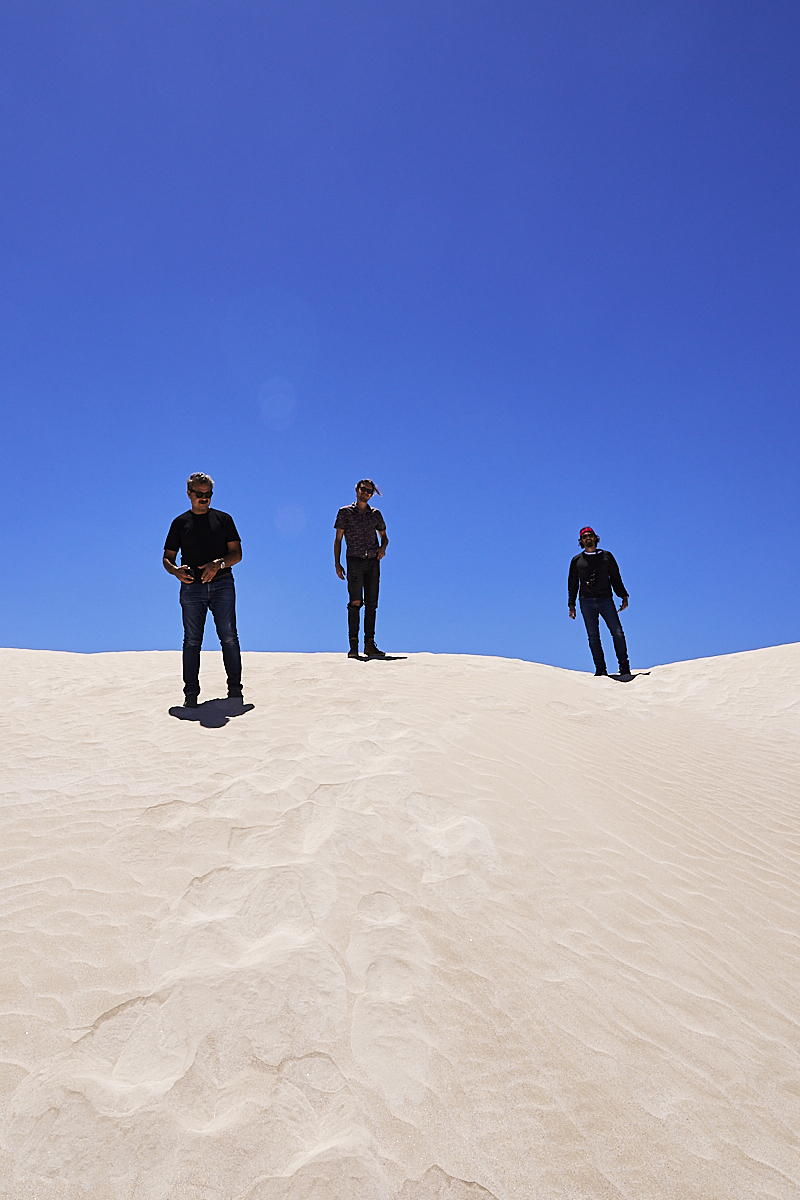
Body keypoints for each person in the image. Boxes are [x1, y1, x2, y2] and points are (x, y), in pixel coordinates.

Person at [163, 473, 243, 706]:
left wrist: (217, 564)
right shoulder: (179, 523)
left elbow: (237, 554)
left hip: (222, 585)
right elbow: (167, 558)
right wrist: (176, 571)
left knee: (229, 637)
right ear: (189, 494)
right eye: (200, 495)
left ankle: (235, 691)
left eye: (208, 495)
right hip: (191, 589)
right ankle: (190, 695)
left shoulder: (224, 519)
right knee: (192, 641)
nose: (204, 499)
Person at [334, 479, 389, 658]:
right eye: (364, 489)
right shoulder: (345, 513)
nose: (366, 493)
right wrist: (337, 562)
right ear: (356, 489)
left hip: (373, 562)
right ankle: (353, 646)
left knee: (372, 604)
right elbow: (338, 539)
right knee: (355, 603)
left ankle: (369, 644)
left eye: (370, 491)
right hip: (354, 562)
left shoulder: (376, 515)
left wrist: (383, 548)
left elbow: (384, 537)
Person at [568, 526, 632, 679]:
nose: (588, 538)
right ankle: (601, 670)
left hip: (606, 600)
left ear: (596, 538)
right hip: (586, 601)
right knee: (593, 637)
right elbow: (572, 584)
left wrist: (623, 596)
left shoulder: (607, 556)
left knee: (617, 632)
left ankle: (624, 667)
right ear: (581, 541)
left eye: (590, 535)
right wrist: (571, 605)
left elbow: (615, 577)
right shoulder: (576, 560)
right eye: (584, 537)